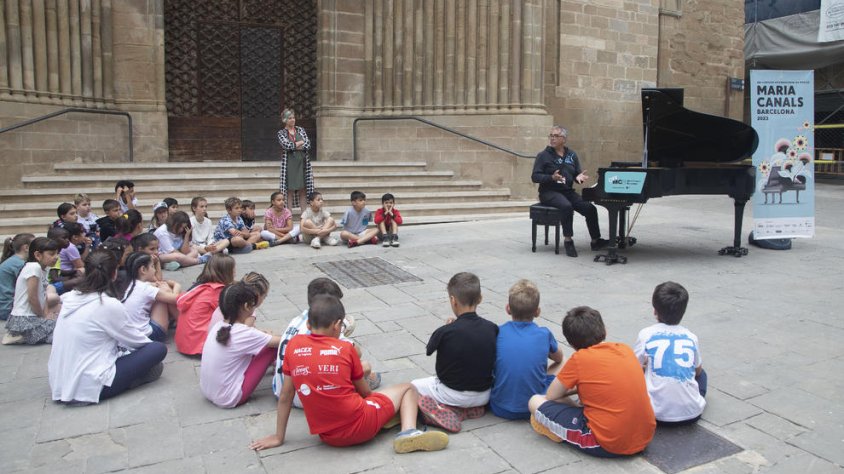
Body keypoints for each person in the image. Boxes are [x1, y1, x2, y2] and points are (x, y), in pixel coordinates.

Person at [250, 295, 450, 454]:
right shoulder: (345, 349)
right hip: (360, 427)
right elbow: (366, 394)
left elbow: (285, 396)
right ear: (337, 325)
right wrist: (379, 399)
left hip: (327, 436)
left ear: (309, 325)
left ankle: (391, 416)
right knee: (408, 388)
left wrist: (278, 437)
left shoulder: (294, 346)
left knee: (374, 398)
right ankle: (407, 432)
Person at [528, 306, 656, 458]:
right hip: (645, 436)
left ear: (571, 344)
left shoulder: (580, 359)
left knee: (535, 401)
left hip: (607, 443)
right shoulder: (624, 349)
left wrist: (573, 390)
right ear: (605, 331)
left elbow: (551, 395)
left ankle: (557, 428)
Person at [48, 249, 167, 405]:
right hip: (90, 384)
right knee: (157, 349)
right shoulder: (107, 304)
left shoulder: (71, 297)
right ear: (114, 273)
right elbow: (137, 341)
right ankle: (128, 382)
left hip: (60, 381)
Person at [272, 277, 380, 407]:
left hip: (280, 391)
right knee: (365, 366)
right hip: (305, 396)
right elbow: (356, 353)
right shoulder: (325, 326)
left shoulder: (297, 319)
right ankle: (361, 385)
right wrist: (341, 332)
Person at [411, 272, 498, 432]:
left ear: (453, 300)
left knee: (411, 388)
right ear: (480, 299)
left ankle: (439, 409)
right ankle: (465, 410)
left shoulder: (446, 331)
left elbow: (429, 350)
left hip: (451, 392)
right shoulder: (492, 328)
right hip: (484, 394)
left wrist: (448, 327)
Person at [634, 281, 707, 424]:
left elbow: (633, 368)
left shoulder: (645, 334)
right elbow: (698, 372)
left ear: (655, 310)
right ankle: (693, 399)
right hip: (692, 415)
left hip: (654, 414)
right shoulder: (691, 337)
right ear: (683, 311)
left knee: (642, 374)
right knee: (703, 374)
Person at [490, 279, 563, 420]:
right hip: (534, 406)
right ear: (537, 312)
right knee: (563, 361)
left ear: (508, 308)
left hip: (498, 407)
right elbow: (558, 358)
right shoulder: (544, 333)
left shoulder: (497, 332)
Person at [200, 282, 280, 408]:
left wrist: (263, 335)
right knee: (271, 348)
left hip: (208, 391)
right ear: (247, 306)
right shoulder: (243, 332)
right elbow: (281, 341)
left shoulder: (218, 326)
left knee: (263, 343)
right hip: (229, 397)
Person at [531, 126, 608, 258]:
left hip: (567, 191)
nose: (552, 138)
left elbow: (577, 174)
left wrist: (579, 178)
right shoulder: (543, 156)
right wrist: (551, 177)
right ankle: (568, 240)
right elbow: (535, 176)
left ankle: (596, 240)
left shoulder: (572, 155)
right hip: (549, 192)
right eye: (551, 136)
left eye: (556, 136)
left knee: (590, 208)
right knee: (566, 206)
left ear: (564, 139)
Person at [3, 237, 61, 345]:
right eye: (51, 254)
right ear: (38, 255)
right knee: (59, 334)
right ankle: (19, 336)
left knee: (59, 321)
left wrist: (46, 314)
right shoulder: (34, 268)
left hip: (32, 316)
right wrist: (42, 316)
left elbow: (43, 296)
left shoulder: (43, 268)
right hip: (25, 319)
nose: (56, 257)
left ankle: (22, 335)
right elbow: (32, 298)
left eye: (57, 253)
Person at [174, 254, 236, 356]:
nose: (235, 272)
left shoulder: (201, 286)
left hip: (184, 344)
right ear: (227, 272)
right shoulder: (218, 291)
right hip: (200, 346)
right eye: (233, 269)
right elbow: (232, 316)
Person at [121, 252, 182, 343]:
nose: (154, 270)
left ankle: (176, 320)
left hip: (131, 334)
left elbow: (156, 282)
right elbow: (176, 299)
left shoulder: (128, 284)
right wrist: (177, 285)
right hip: (150, 335)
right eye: (152, 266)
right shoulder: (145, 288)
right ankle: (182, 323)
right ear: (143, 270)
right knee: (164, 291)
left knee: (161, 290)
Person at [277, 108, 314, 211]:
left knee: (303, 189)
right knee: (290, 190)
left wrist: (295, 146)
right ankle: (289, 215)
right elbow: (286, 145)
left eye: (293, 118)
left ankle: (304, 215)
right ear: (285, 120)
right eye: (289, 118)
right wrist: (299, 143)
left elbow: (308, 144)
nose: (292, 120)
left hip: (302, 163)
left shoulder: (300, 130)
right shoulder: (281, 133)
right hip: (290, 164)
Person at [0, 233, 35, 321]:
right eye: (35, 245)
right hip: (8, 309)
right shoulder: (19, 264)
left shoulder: (15, 261)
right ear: (26, 248)